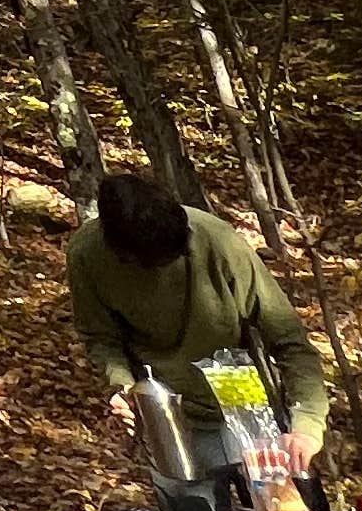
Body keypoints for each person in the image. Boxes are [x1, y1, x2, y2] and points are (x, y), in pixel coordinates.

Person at [67, 167, 330, 463]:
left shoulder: (218, 242)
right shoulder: (86, 255)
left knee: (274, 501)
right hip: (164, 412)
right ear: (124, 254)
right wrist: (124, 386)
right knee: (189, 505)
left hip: (241, 399)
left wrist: (307, 423)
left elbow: (287, 337)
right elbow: (100, 338)